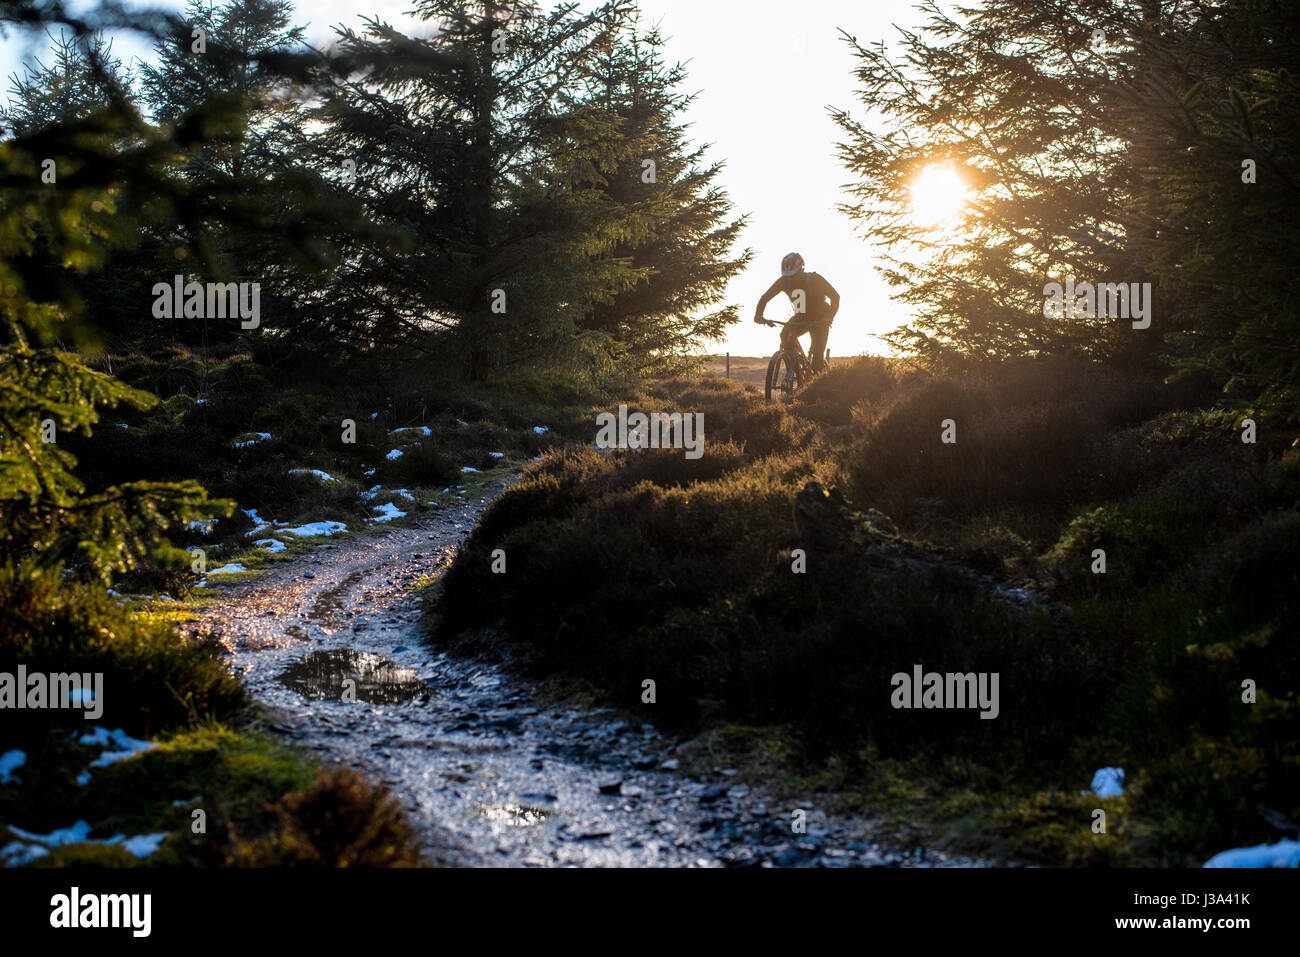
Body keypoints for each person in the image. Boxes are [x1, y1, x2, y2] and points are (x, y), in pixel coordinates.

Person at [754, 252, 839, 373]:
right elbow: (765, 298)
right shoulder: (784, 281)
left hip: (820, 319)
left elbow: (835, 297)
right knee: (785, 336)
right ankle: (794, 371)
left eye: (793, 276)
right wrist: (759, 315)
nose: (790, 280)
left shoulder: (815, 279)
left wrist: (829, 317)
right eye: (787, 277)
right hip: (801, 317)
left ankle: (821, 382)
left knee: (817, 359)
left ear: (801, 271)